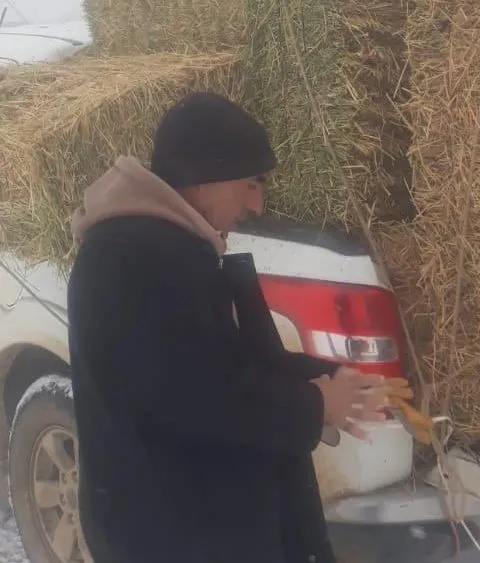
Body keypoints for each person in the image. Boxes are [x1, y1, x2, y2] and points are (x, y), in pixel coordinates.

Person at [67, 92, 389, 563]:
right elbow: (199, 396)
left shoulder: (169, 248)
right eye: (252, 184)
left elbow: (229, 360)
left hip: (195, 526)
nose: (257, 205)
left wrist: (328, 378)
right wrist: (314, 404)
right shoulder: (131, 259)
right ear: (206, 177)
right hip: (172, 536)